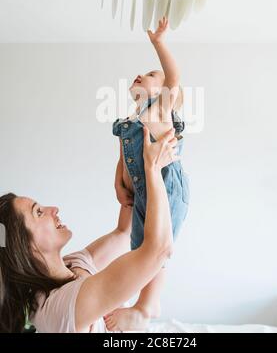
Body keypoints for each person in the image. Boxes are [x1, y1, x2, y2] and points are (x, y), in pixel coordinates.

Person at [0, 126, 178, 333]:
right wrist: (153, 168)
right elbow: (158, 250)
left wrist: (124, 164)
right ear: (24, 247)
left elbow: (123, 232)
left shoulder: (72, 265)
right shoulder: (57, 308)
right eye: (38, 213)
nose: (53, 209)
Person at [109, 17, 190, 331]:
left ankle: (146, 305)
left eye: (151, 75)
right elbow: (125, 158)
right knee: (142, 246)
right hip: (144, 192)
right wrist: (118, 182)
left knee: (155, 244)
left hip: (167, 186)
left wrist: (158, 42)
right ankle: (145, 300)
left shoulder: (160, 110)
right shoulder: (129, 121)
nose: (142, 74)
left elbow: (174, 76)